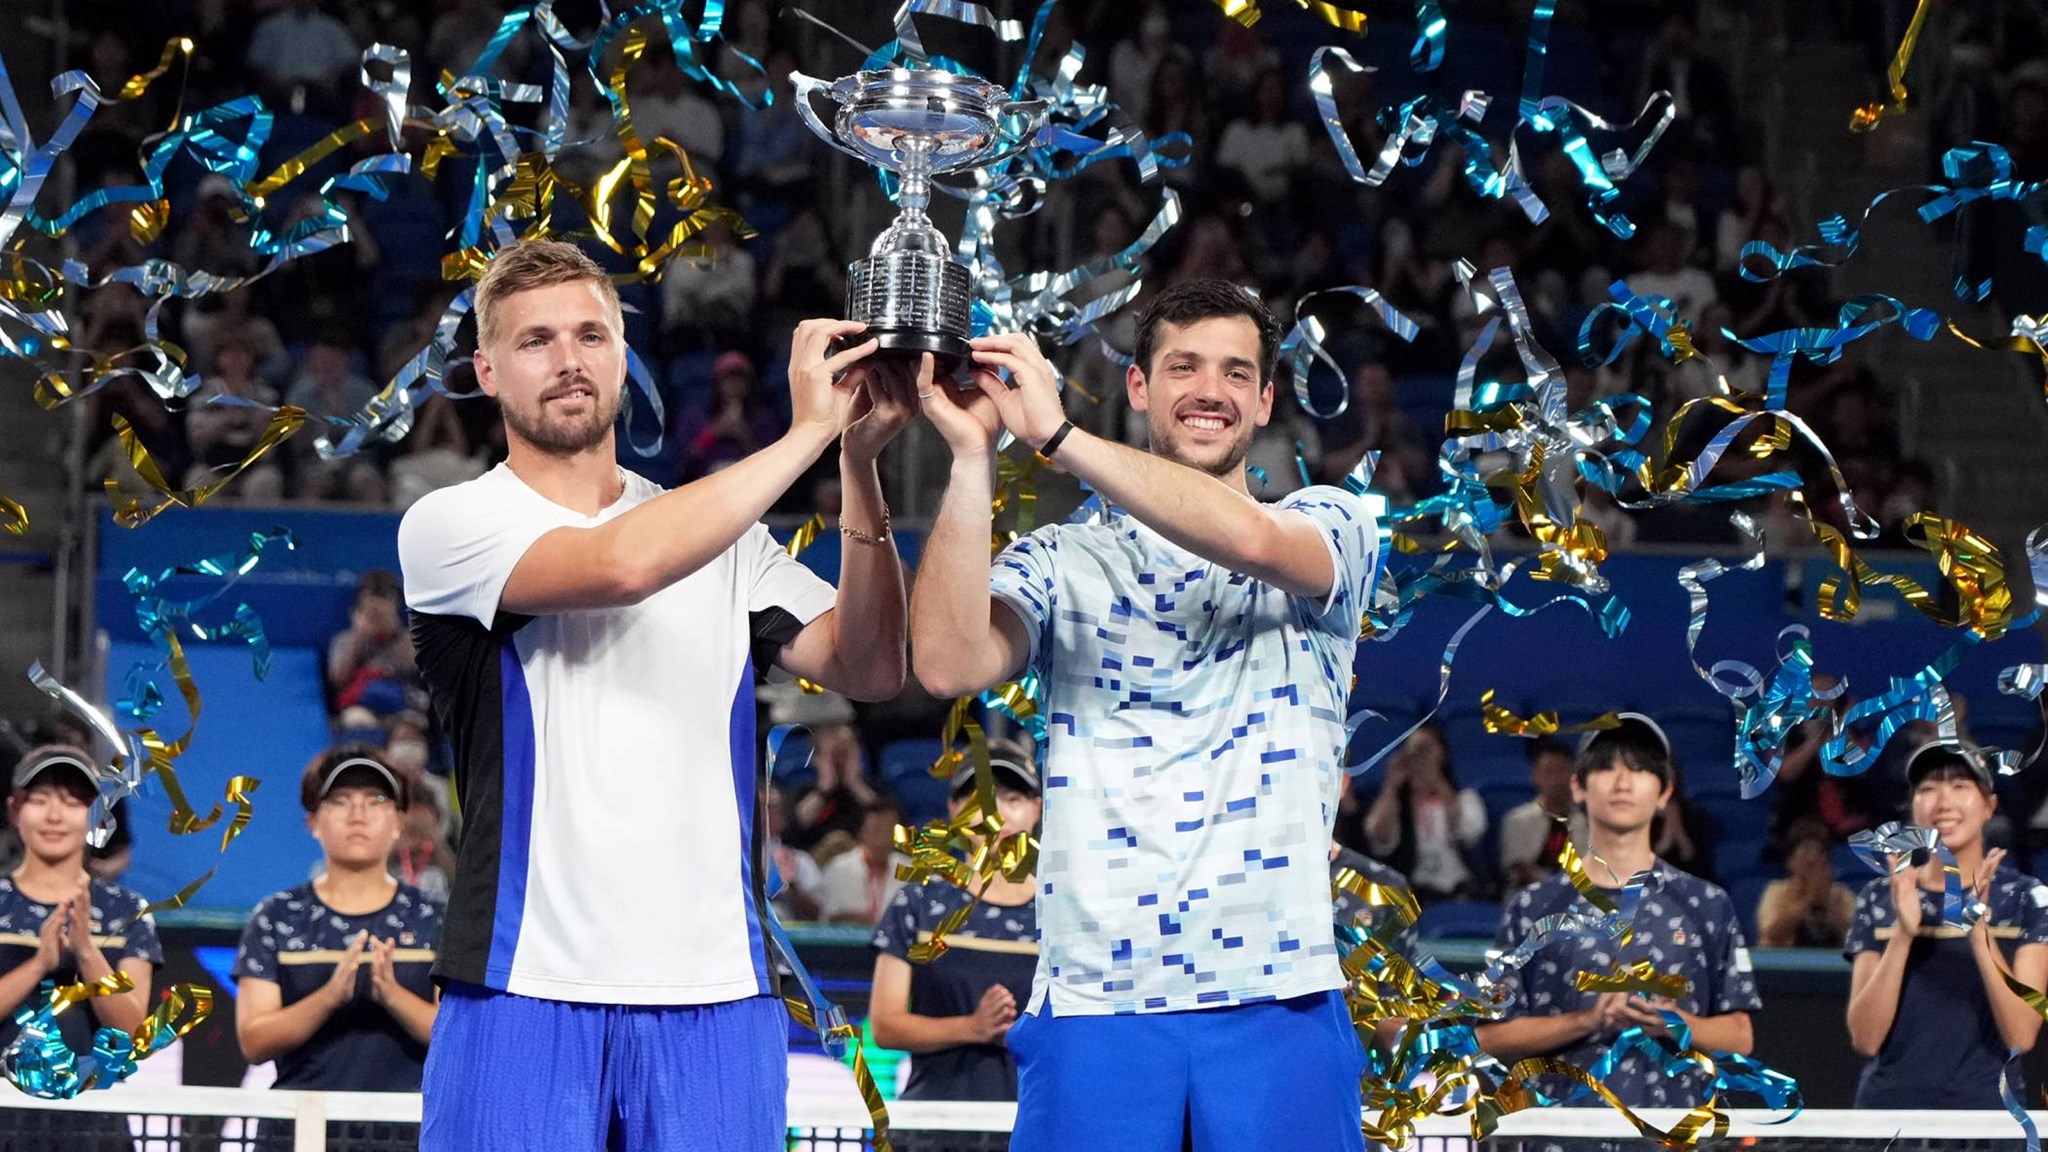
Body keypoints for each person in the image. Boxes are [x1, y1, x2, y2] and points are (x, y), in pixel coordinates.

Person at [397, 238, 912, 1150]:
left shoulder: (729, 543)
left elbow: (872, 667)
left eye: (592, 336)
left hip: (717, 993)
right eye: (536, 341)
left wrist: (859, 469)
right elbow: (625, 563)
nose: (568, 360)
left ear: (622, 356)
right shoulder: (452, 524)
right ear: (486, 369)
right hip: (523, 984)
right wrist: (806, 434)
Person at [911, 278, 1381, 1152]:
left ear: (1266, 399)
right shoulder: (1057, 557)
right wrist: (972, 458)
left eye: (1237, 373)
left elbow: (1247, 540)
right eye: (1184, 367)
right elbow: (945, 663)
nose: (1211, 390)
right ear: (1138, 387)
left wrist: (1055, 435)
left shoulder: (1332, 523)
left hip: (1277, 992)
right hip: (1097, 998)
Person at [1477, 714, 1759, 1117]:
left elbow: (1740, 1036)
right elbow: (1490, 1037)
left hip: (1674, 1136)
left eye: (1641, 768)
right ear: (1578, 786)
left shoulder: (1707, 904)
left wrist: (1674, 1023)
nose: (1623, 781)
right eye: (1607, 766)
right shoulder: (1532, 906)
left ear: (1666, 792)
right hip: (1562, 1140)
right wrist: (1588, 1020)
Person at [235, 749, 441, 1148]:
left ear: (400, 821)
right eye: (340, 801)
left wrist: (392, 996)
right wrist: (329, 996)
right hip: (298, 1132)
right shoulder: (277, 917)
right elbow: (254, 1040)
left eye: (376, 801)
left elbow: (454, 1037)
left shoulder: (434, 919)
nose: (358, 815)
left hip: (409, 1132)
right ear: (313, 821)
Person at [1844, 741, 2048, 1108]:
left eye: (1960, 786)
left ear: (1989, 806)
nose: (1943, 801)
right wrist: (1903, 934)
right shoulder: (1881, 897)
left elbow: (2022, 1035)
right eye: (1928, 788)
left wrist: (1979, 934)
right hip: (1889, 1118)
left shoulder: (2028, 898)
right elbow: (1865, 1039)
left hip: (1988, 1120)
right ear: (1913, 808)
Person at [0, 747, 162, 1148]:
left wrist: (87, 953)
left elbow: (131, 1031)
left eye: (73, 803)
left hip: (92, 1124)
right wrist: (39, 964)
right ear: (14, 810)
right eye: (39, 800)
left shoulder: (126, 910)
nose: (55, 816)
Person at [869, 745, 1043, 1109]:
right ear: (954, 809)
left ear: (1036, 808)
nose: (998, 815)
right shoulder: (918, 905)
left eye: (1013, 799)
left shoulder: (1058, 912)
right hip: (938, 1124)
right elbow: (885, 1025)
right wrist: (972, 1028)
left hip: (1037, 1121)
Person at [1361, 722, 1488, 901]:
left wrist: (1435, 779)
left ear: (1442, 754)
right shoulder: (1397, 804)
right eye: (1413, 752)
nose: (1419, 759)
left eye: (1426, 750)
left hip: (1459, 890)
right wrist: (1391, 785)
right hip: (1411, 892)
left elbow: (1468, 831)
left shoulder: (1465, 798)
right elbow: (1379, 838)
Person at [1498, 736, 1585, 892]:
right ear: (1535, 776)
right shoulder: (1517, 821)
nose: (1556, 780)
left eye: (1561, 770)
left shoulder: (1589, 823)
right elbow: (1520, 870)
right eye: (1548, 772)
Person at [1756, 818, 1854, 949]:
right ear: (1790, 861)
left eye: (1819, 851)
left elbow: (1855, 938)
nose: (1812, 858)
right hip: (1784, 964)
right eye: (1806, 850)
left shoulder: (1841, 895)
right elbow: (1771, 933)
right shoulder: (1776, 891)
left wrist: (1830, 907)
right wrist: (1807, 900)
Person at [820, 799, 910, 926]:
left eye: (888, 832)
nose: (882, 840)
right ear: (862, 832)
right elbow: (826, 919)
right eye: (877, 831)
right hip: (847, 942)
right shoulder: (838, 868)